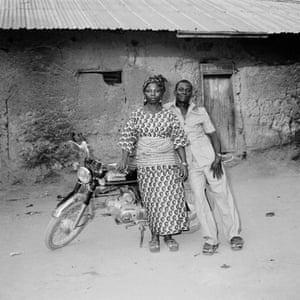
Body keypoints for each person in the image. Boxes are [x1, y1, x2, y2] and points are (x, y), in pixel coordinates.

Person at [164, 79, 244, 255]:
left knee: (222, 193)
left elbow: (213, 134)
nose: (183, 92)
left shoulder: (200, 111)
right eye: (180, 89)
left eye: (187, 90)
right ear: (175, 92)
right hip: (188, 162)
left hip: (208, 158)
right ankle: (210, 239)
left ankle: (233, 234)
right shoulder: (166, 111)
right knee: (199, 199)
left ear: (191, 93)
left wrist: (217, 157)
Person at [118, 75, 189, 253]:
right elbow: (128, 138)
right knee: (152, 200)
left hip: (167, 162)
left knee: (169, 199)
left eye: (157, 90)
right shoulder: (137, 115)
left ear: (162, 93)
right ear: (144, 93)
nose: (153, 94)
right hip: (147, 163)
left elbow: (178, 140)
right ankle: (154, 236)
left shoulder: (168, 115)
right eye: (149, 90)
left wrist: (184, 163)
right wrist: (124, 159)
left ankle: (168, 236)